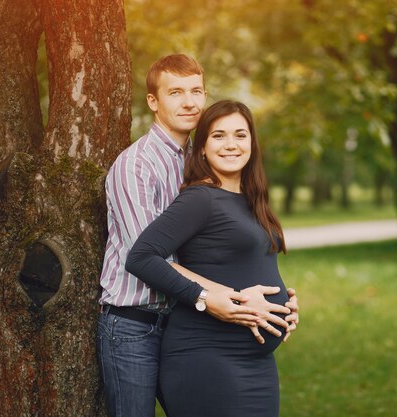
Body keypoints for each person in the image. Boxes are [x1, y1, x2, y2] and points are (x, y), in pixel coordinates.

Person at [97, 55, 299, 417]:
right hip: (135, 324)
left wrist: (275, 304)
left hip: (183, 317)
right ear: (153, 102)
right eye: (175, 92)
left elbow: (211, 249)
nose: (189, 102)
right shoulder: (136, 166)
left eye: (196, 91)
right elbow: (150, 258)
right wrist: (234, 299)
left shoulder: (202, 158)